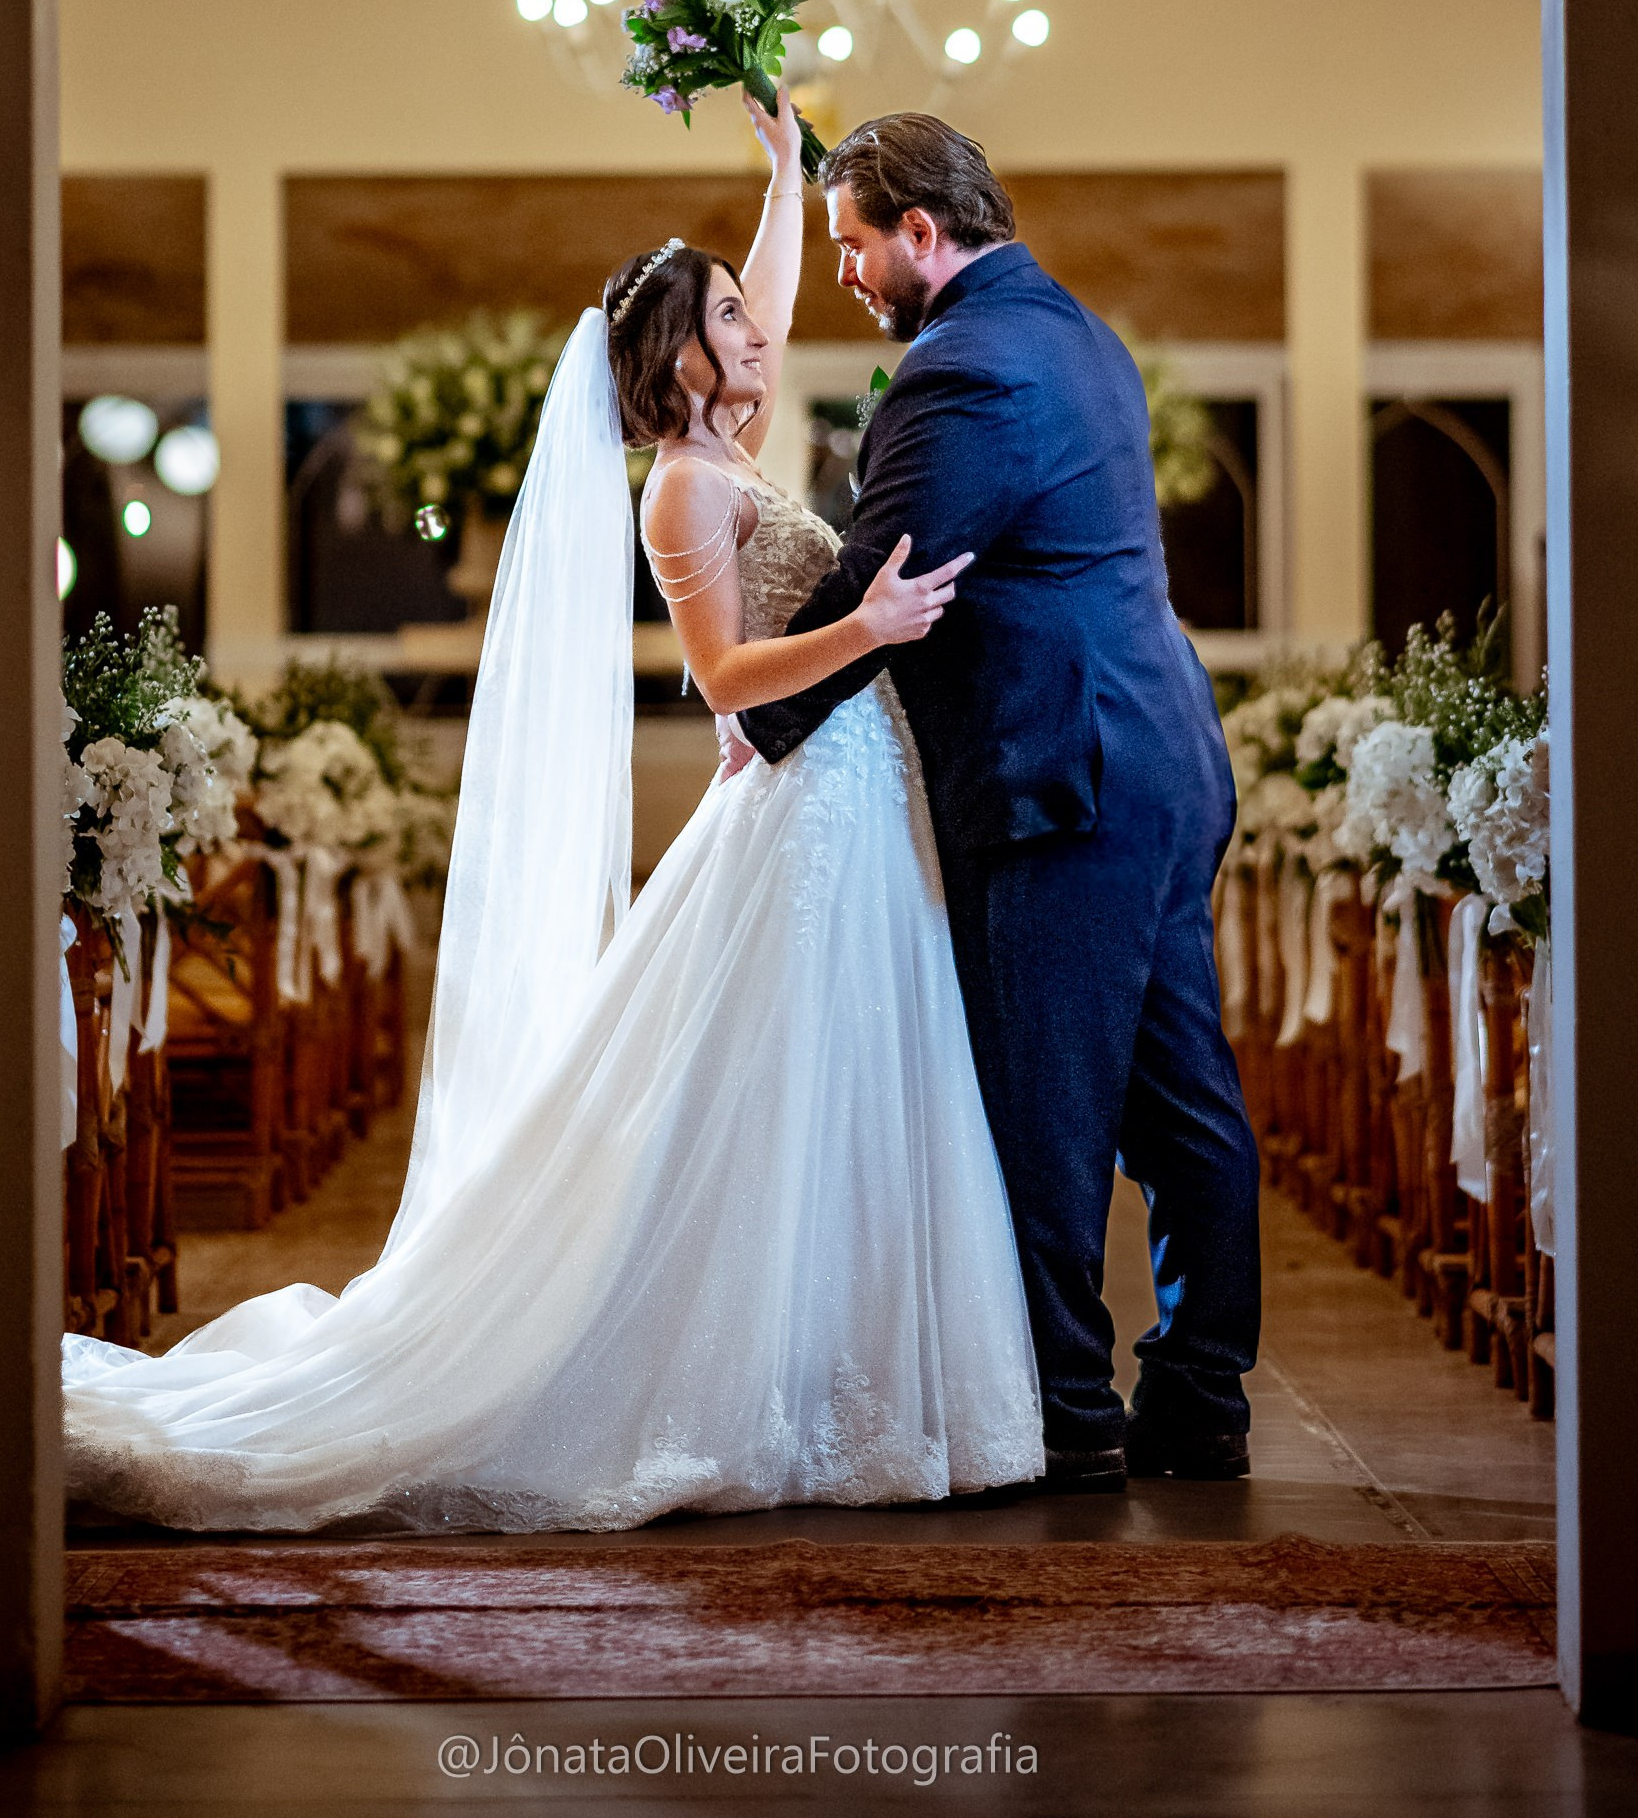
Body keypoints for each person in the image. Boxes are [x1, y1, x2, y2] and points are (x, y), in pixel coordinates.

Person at [60, 87, 1043, 1534]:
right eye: (726, 316)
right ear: (678, 357)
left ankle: (855, 1375)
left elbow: (770, 295)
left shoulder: (739, 439)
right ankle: (764, 1391)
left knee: (848, 1081)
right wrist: (871, 626)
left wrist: (782, 171)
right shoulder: (681, 494)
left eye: (749, 310)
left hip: (849, 794)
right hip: (802, 797)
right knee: (781, 1093)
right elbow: (725, 677)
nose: (759, 327)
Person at [733, 113, 1260, 1491]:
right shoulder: (1078, 333)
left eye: (855, 243)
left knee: (1043, 1108)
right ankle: (1202, 1399)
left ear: (923, 230)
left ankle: (1068, 1420)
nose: (848, 272)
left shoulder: (961, 372)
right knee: (1180, 1094)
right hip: (1157, 760)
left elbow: (882, 582)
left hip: (1060, 777)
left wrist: (759, 720)